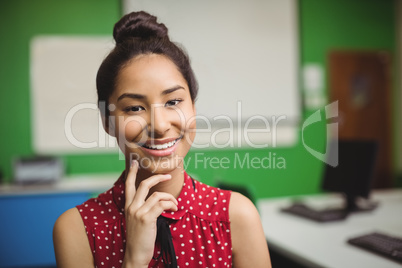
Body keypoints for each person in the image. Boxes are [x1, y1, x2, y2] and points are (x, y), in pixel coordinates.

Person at [53, 11, 271, 268]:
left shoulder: (236, 216)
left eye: (173, 101)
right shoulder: (76, 229)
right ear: (107, 122)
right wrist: (133, 260)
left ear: (193, 109)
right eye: (134, 108)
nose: (159, 125)